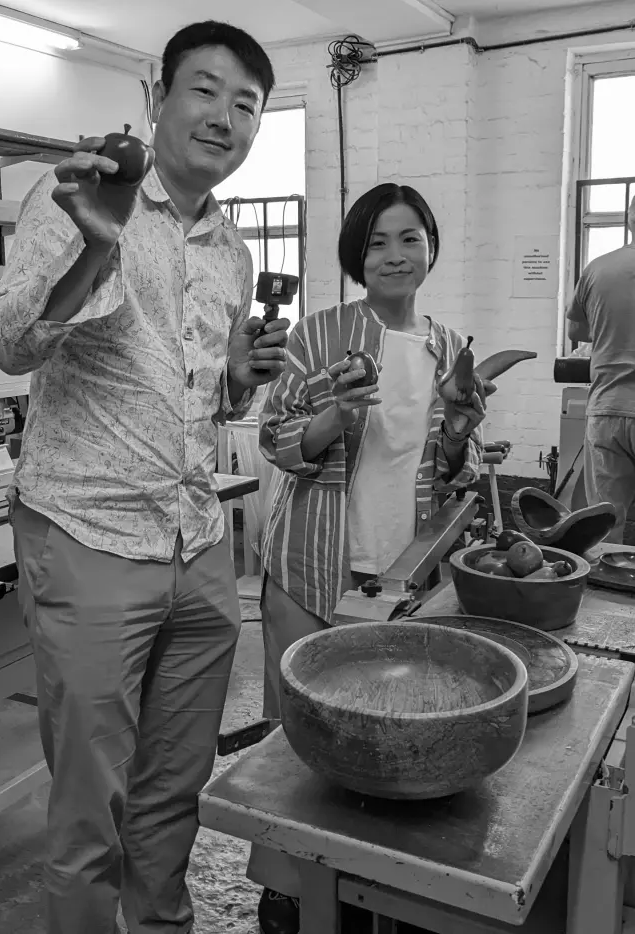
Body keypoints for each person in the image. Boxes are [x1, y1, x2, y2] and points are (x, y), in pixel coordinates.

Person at [0, 21, 289, 934]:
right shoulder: (78, 193)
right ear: (158, 97)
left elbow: (197, 402)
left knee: (172, 795)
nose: (224, 117)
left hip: (197, 545)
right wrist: (93, 252)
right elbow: (7, 344)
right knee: (90, 813)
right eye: (206, 89)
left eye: (247, 105)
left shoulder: (230, 252)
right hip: (89, 535)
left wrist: (239, 373)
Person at [248, 183, 492, 934]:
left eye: (410, 237)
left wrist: (459, 428)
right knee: (292, 734)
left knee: (378, 730)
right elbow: (274, 439)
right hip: (311, 566)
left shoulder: (450, 347)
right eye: (379, 241)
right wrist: (333, 414)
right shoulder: (320, 335)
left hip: (402, 578)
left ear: (430, 247)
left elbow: (454, 472)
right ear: (358, 254)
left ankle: (365, 881)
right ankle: (288, 883)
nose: (395, 254)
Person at [567, 195, 635, 543]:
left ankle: (605, 590)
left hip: (607, 409)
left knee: (607, 525)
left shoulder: (598, 268)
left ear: (630, 218)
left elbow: (576, 332)